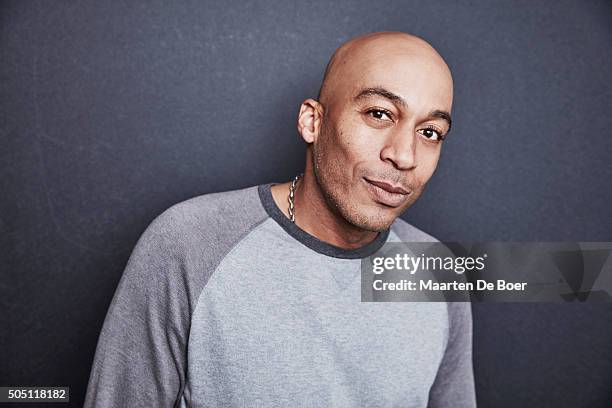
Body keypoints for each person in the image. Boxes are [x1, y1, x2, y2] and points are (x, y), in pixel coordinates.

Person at [84, 31, 476, 407]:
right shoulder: (189, 243)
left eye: (430, 132)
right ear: (313, 121)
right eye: (378, 114)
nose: (404, 156)